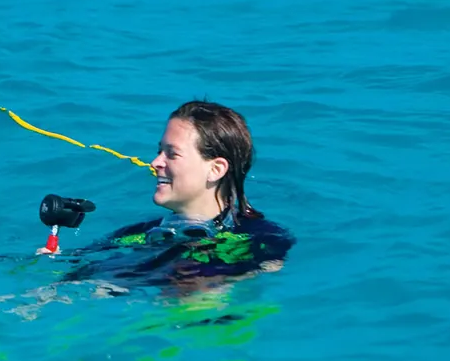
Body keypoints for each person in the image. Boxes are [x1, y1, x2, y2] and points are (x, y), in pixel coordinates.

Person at [37, 100, 295, 298]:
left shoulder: (265, 241)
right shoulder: (133, 236)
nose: (155, 162)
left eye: (172, 154)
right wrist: (53, 263)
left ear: (216, 169)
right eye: (159, 151)